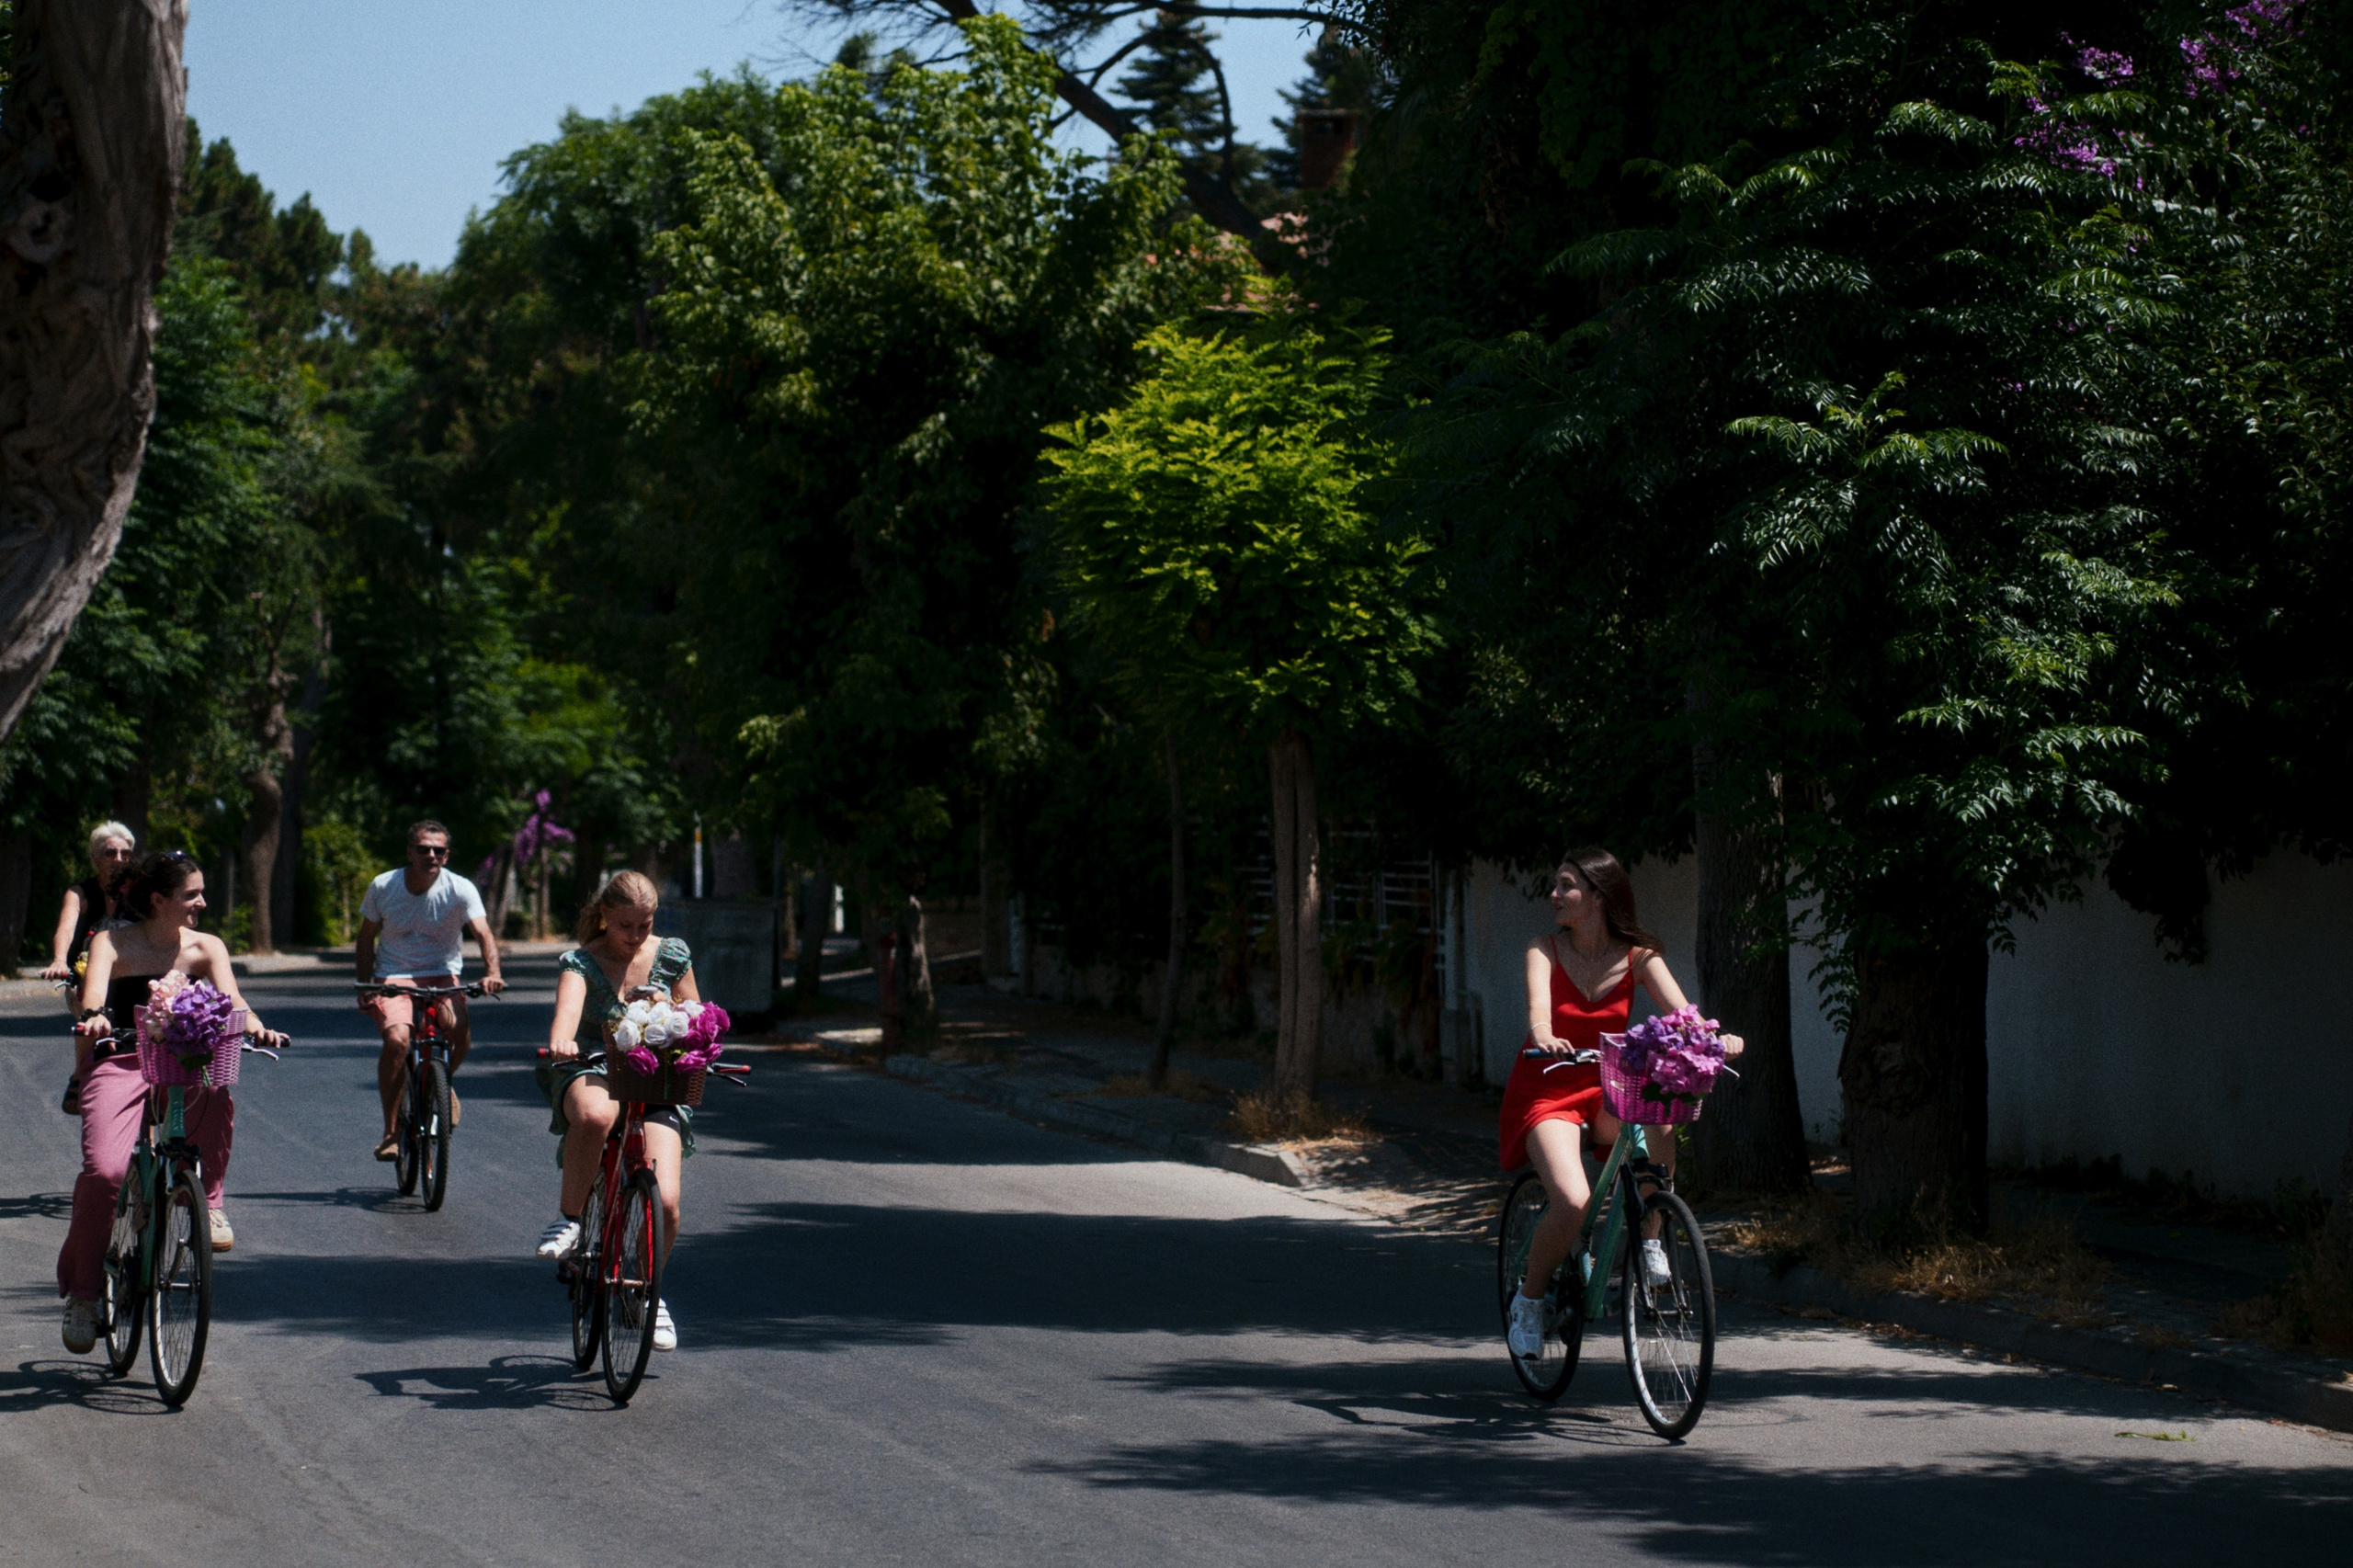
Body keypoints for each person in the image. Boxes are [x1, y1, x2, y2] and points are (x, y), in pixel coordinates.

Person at [1499, 846, 1744, 1358]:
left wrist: (1718, 1039)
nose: (1555, 895)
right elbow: (1538, 1012)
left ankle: (1651, 1237)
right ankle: (1529, 1298)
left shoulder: (1640, 958)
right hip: (1549, 1082)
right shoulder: (1542, 949)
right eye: (1557, 884)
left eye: (1566, 885)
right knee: (1573, 1200)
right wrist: (1544, 1034)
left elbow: (1685, 1018)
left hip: (1610, 1086)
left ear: (1597, 898)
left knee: (1660, 1112)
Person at [59, 850, 289, 1354]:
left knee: (215, 1087)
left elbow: (234, 1002)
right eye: (192, 895)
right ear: (159, 900)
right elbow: (93, 996)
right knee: (105, 1174)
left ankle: (208, 1201)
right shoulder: (111, 942)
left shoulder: (207, 947)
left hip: (181, 1063)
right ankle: (83, 1295)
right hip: (120, 1060)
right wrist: (96, 1016)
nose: (203, 903)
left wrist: (257, 1027)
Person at [535, 870, 698, 1352]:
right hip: (593, 1066)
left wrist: (673, 1009)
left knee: (665, 1202)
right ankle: (569, 1219)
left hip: (656, 1080)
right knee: (596, 1116)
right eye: (626, 925)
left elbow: (698, 1016)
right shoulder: (581, 962)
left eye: (645, 924)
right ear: (604, 915)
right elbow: (566, 1015)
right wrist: (563, 1041)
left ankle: (648, 1293)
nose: (635, 936)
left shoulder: (673, 956)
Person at [355, 820, 505, 1161]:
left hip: (442, 975)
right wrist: (365, 986)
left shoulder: (461, 888)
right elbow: (366, 938)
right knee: (397, 1040)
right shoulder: (384, 886)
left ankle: (440, 1084)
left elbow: (483, 933)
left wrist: (493, 972)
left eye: (438, 850)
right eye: (423, 849)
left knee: (460, 1029)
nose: (430, 855)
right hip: (394, 976)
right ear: (410, 852)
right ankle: (391, 1132)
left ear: (447, 855)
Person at [43, 821, 138, 1114]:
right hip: (86, 979)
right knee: (88, 999)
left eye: (125, 853)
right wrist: (60, 960)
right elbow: (66, 929)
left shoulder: (140, 895)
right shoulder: (79, 893)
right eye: (110, 853)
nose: (119, 860)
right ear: (95, 857)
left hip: (131, 980)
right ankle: (81, 1074)